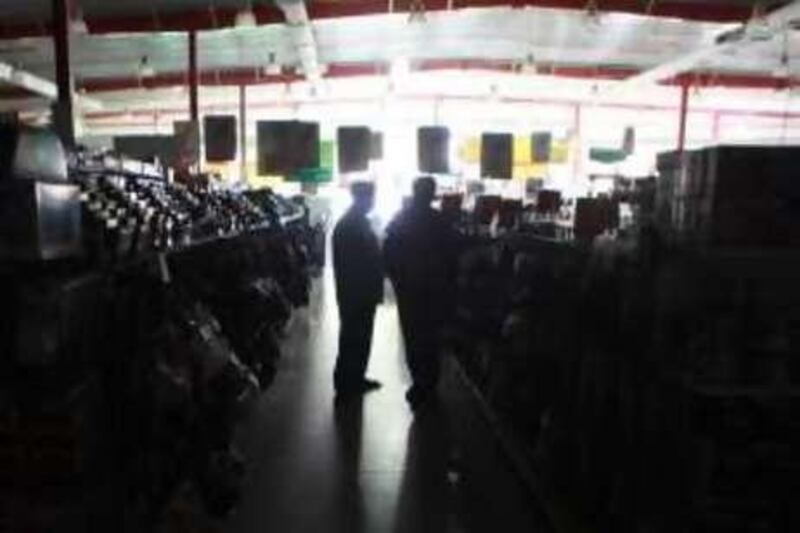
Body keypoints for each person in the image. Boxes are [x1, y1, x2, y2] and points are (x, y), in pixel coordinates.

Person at [384, 177, 458, 411]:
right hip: (433, 290)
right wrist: (448, 283)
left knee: (413, 336)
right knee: (430, 337)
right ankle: (430, 384)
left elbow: (388, 252)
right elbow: (452, 256)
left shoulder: (401, 219)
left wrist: (397, 280)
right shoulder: (440, 221)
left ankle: (420, 383)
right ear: (431, 194)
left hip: (409, 291)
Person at [332, 181, 383, 401]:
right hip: (356, 292)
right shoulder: (351, 225)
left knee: (359, 337)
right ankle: (346, 382)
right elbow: (359, 261)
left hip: (360, 291)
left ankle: (356, 378)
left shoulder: (356, 222)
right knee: (354, 337)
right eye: (371, 197)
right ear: (362, 198)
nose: (373, 201)